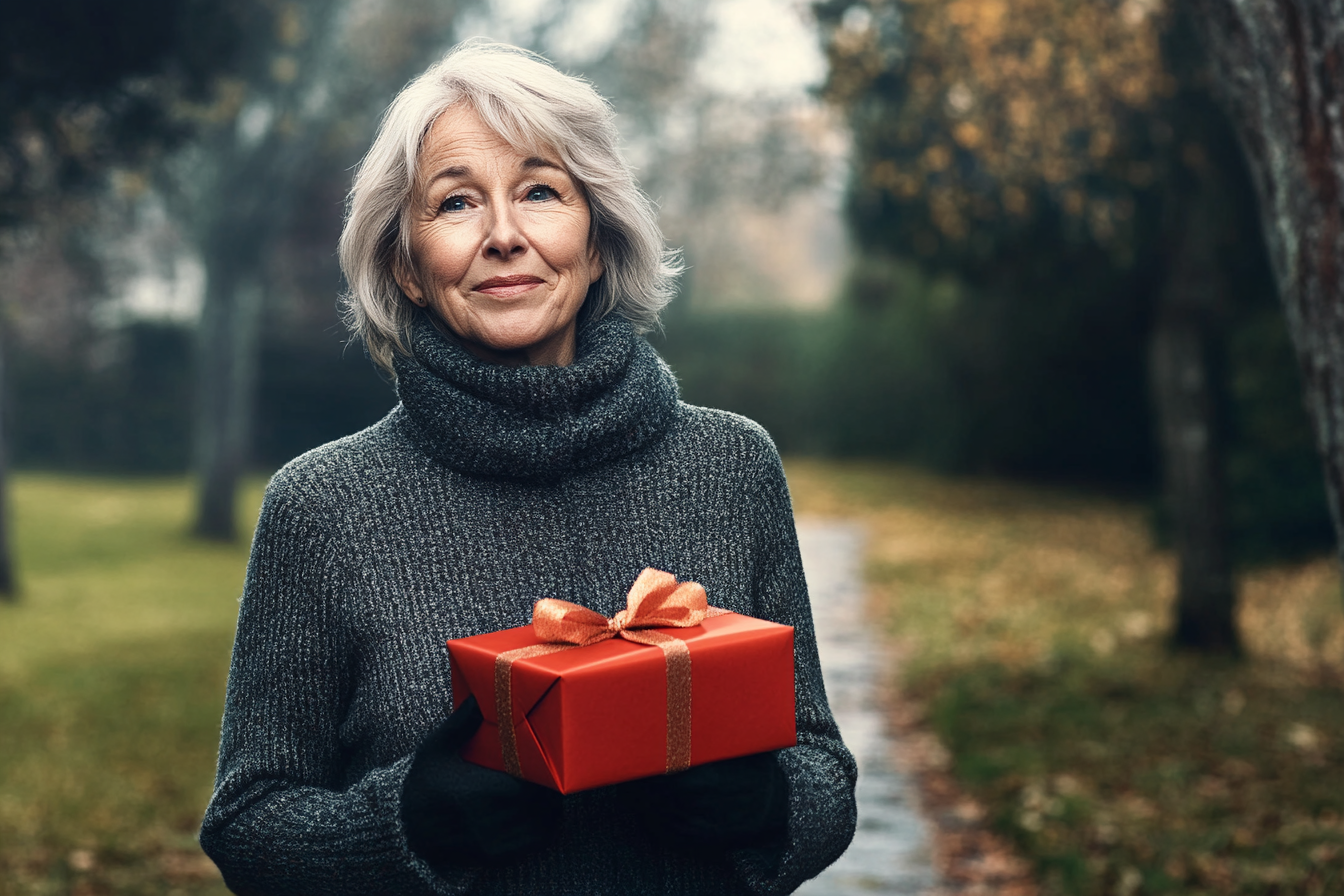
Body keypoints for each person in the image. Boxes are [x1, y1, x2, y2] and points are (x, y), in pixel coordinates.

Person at [200, 39, 857, 895]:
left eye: (541, 192)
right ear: (406, 264)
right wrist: (408, 823)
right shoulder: (321, 508)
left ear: (596, 239)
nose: (505, 235)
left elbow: (827, 775)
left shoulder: (732, 466)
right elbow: (249, 827)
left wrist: (769, 804)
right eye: (457, 203)